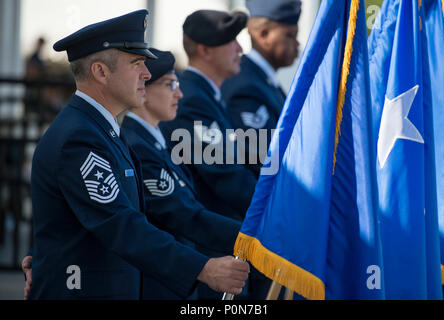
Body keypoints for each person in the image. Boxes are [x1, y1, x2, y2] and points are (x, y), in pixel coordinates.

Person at [25, 9, 249, 300]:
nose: (146, 73)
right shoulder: (80, 138)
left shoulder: (99, 130)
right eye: (136, 63)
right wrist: (203, 268)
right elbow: (121, 225)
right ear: (100, 72)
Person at [159, 9, 267, 300]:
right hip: (211, 250)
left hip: (223, 243)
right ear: (205, 50)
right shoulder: (192, 100)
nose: (240, 49)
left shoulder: (206, 97)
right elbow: (226, 177)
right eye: (231, 41)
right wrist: (277, 211)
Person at [120, 48, 243, 299]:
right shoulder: (139, 147)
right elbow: (184, 215)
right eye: (170, 84)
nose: (179, 93)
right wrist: (250, 238)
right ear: (142, 90)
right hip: (159, 287)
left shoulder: (153, 141)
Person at [221, 0, 301, 175]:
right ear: (263, 34)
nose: (297, 43)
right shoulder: (245, 86)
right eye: (290, 35)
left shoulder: (265, 82)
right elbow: (261, 161)